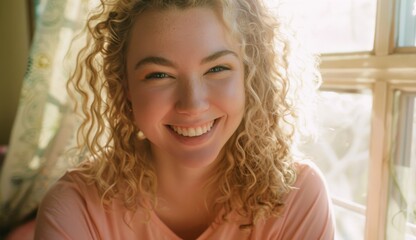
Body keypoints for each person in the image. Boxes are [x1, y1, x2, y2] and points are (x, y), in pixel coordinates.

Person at [34, 0, 335, 239]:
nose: (192, 104)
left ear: (251, 77)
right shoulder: (75, 207)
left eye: (217, 69)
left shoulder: (297, 195)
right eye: (159, 75)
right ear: (124, 87)